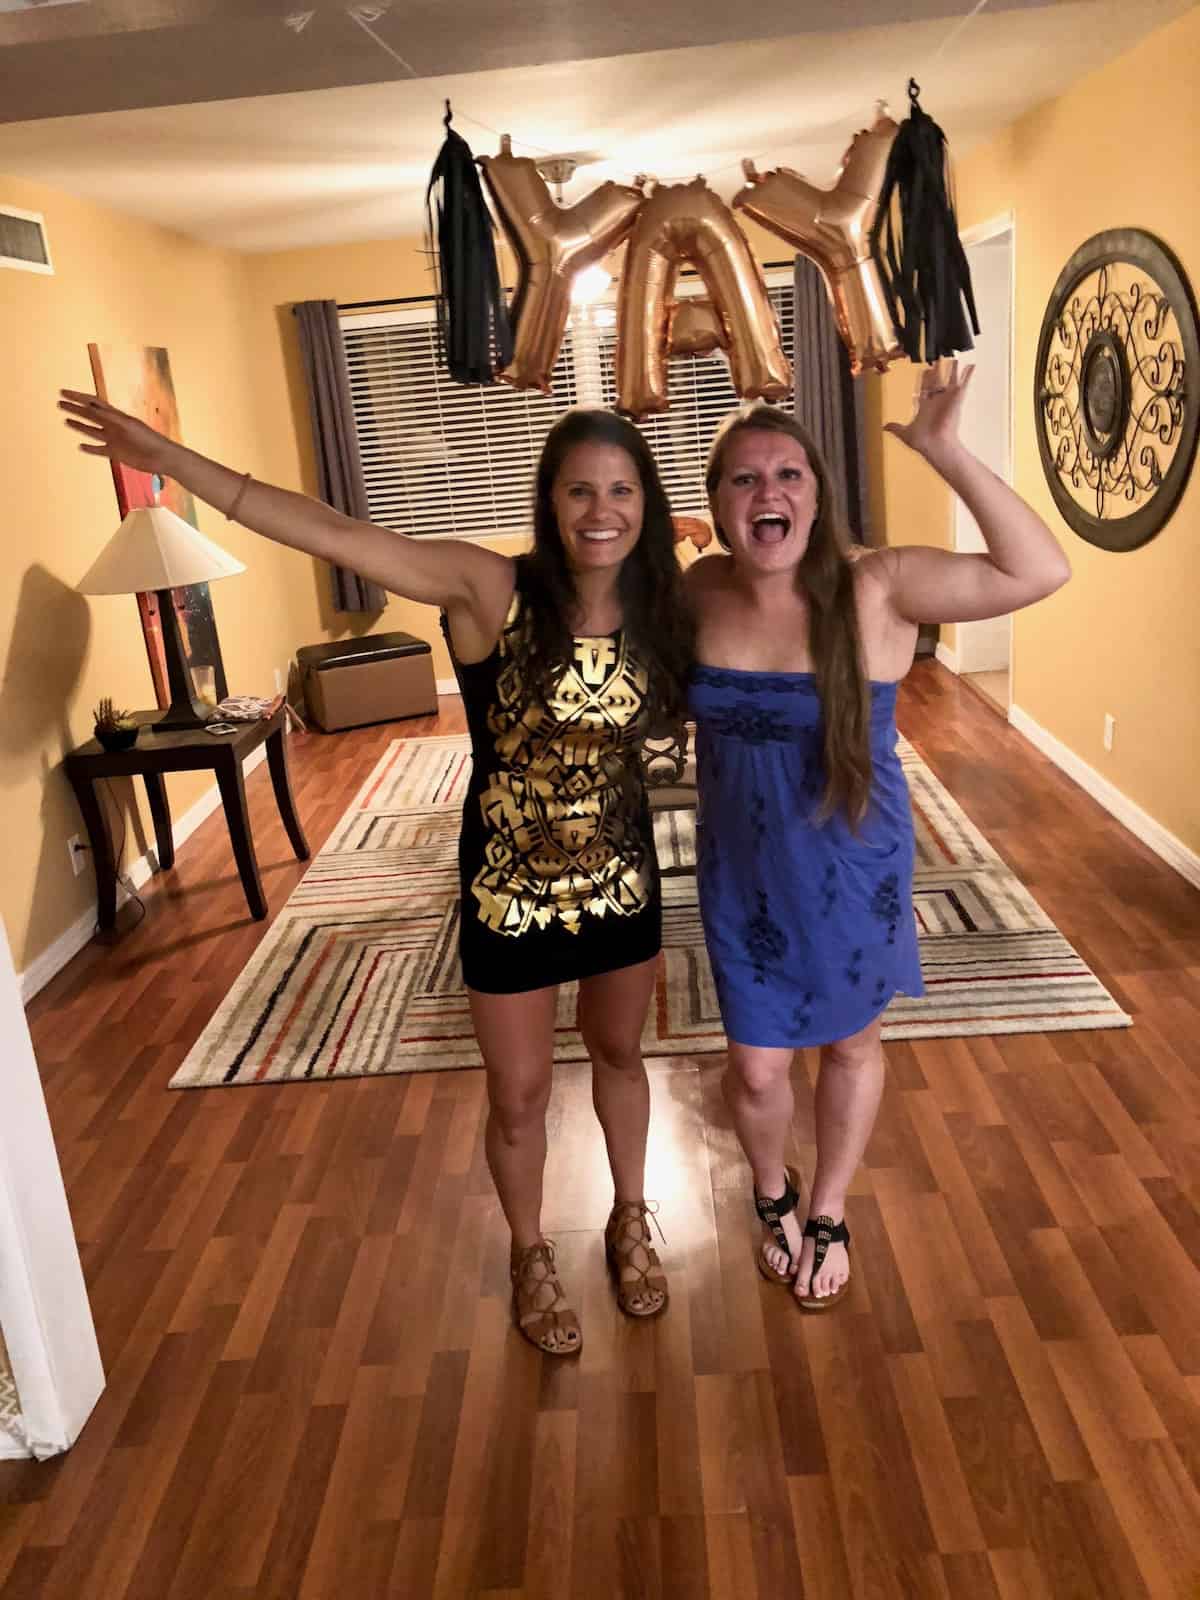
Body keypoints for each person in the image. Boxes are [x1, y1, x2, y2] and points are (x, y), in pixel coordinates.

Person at [60, 391, 693, 1356]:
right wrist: (171, 464)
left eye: (620, 491)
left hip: (624, 881)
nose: (600, 511)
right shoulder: (490, 589)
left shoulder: (665, 608)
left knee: (620, 1055)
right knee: (518, 1095)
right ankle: (530, 1251)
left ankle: (630, 1216)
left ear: (645, 501)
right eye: (578, 491)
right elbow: (334, 531)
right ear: (548, 501)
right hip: (509, 892)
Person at [686, 362, 1070, 1310]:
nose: (766, 492)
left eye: (788, 476)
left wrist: (943, 449)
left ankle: (827, 1204)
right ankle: (767, 1186)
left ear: (817, 496)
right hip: (741, 870)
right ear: (718, 503)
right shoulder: (698, 592)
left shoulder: (881, 586)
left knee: (851, 1047)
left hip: (851, 870)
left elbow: (1041, 568)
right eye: (743, 479)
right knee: (755, 1064)